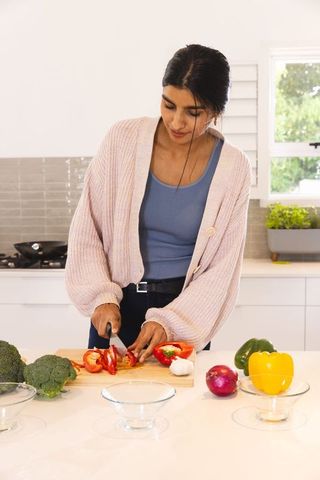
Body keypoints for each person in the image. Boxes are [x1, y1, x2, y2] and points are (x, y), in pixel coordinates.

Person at [65, 44, 251, 362]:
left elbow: (222, 269)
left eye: (193, 113)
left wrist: (170, 322)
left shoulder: (234, 168)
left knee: (181, 410)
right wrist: (100, 296)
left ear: (216, 111)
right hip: (115, 306)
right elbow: (88, 229)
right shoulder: (122, 139)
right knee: (99, 408)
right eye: (168, 105)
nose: (176, 122)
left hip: (185, 314)